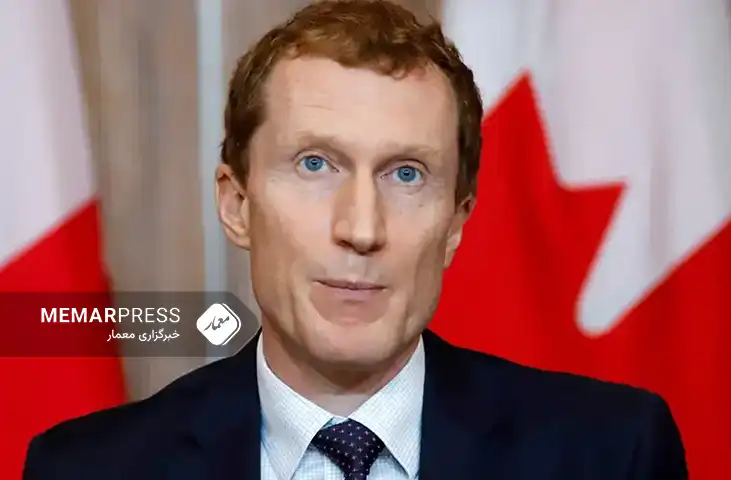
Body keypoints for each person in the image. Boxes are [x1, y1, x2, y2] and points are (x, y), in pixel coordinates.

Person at [23, 1, 687, 478]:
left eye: (406, 174)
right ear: (236, 205)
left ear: (455, 225)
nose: (361, 229)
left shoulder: (611, 454)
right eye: (315, 165)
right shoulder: (86, 468)